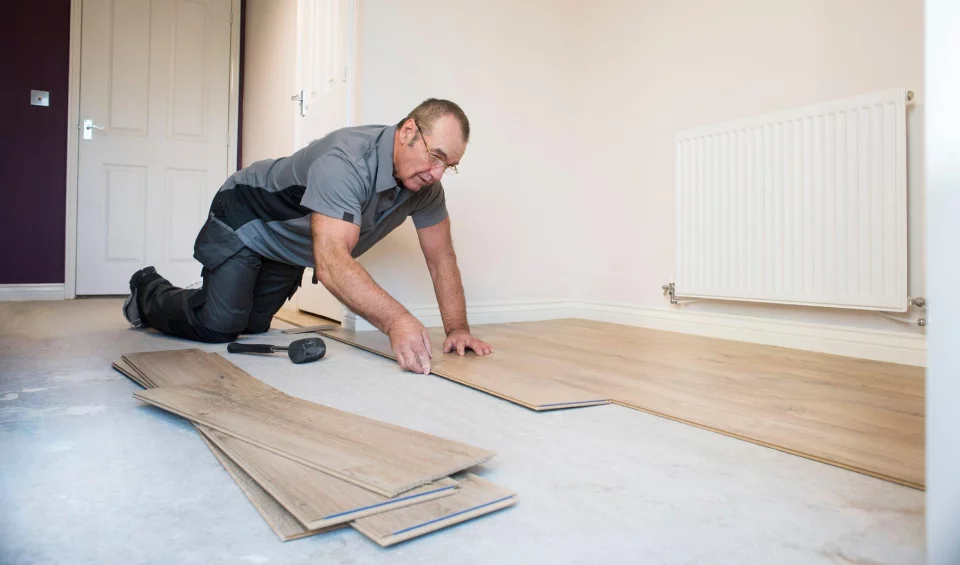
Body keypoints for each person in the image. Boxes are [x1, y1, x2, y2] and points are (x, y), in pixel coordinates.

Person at [122, 98, 492, 375]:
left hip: (290, 246)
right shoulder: (346, 160)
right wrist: (397, 320)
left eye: (449, 166)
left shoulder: (425, 188)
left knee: (253, 326)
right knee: (218, 325)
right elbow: (331, 262)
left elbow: (441, 256)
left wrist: (457, 329)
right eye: (436, 156)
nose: (437, 173)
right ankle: (146, 289)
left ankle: (217, 294)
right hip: (248, 215)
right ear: (408, 132)